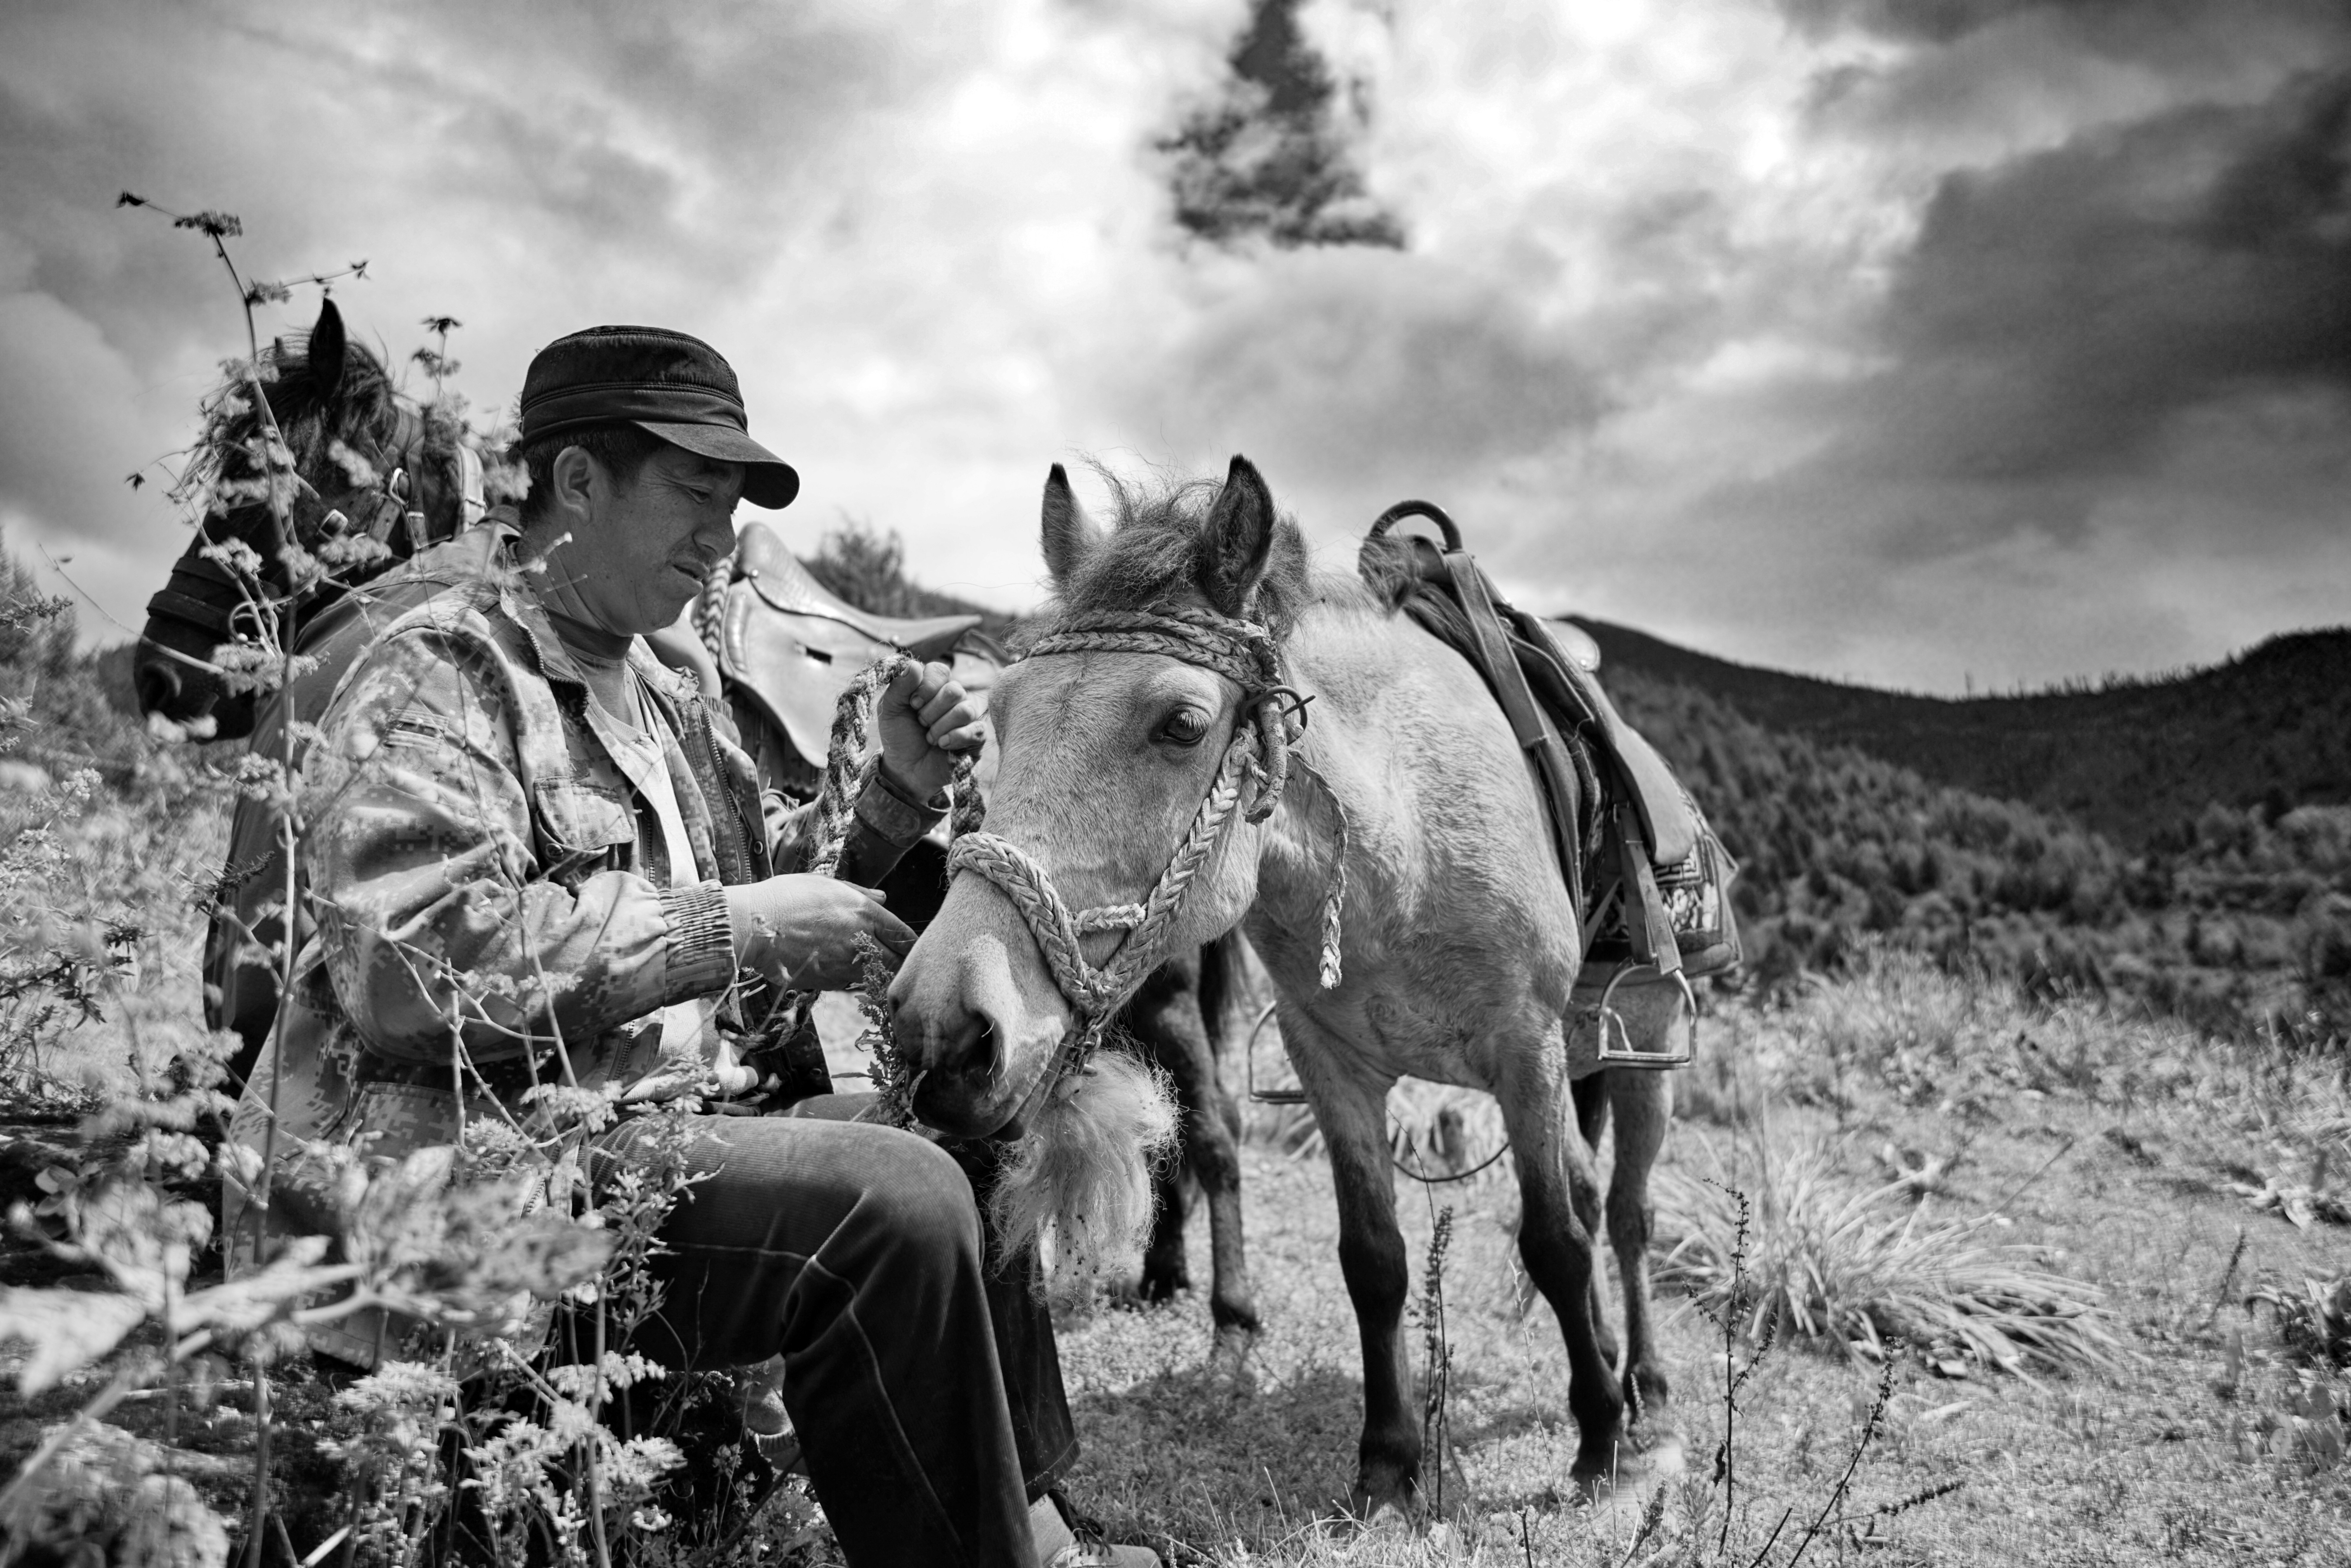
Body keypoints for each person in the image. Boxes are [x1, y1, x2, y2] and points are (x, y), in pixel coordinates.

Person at [226, 326, 1155, 1567]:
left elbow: (761, 940)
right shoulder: (442, 672)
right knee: (895, 1204)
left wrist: (890, 799)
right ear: (576, 483)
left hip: (630, 1156)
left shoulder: (666, 702)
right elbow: (408, 973)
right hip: (468, 1187)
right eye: (695, 491)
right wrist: (729, 930)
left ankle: (1026, 1529)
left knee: (962, 1142)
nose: (723, 536)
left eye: (734, 503)